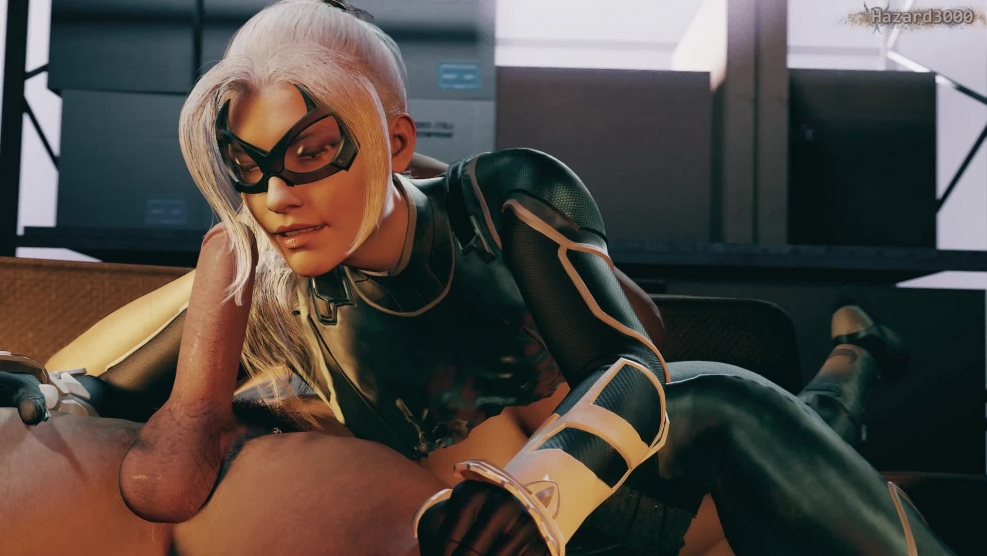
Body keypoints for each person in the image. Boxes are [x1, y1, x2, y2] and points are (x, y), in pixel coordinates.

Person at [0, 1, 957, 554]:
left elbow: (633, 369)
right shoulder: (268, 281)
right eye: (249, 169)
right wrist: (38, 390)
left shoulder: (504, 198)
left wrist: (535, 488)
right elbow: (106, 401)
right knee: (798, 426)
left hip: (635, 483)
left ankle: (856, 356)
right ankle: (859, 352)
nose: (279, 196)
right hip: (504, 528)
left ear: (394, 141)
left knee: (743, 406)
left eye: (313, 151)